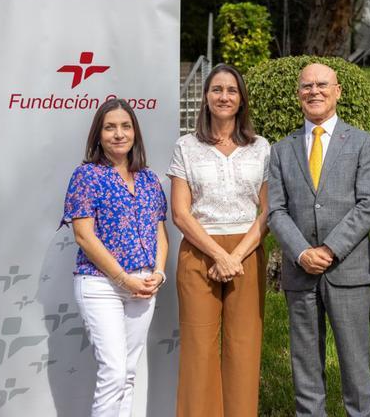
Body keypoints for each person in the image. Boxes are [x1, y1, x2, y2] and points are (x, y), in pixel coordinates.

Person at [268, 62, 370, 417]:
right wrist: (301, 252)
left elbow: (369, 205)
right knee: (305, 371)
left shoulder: (362, 143)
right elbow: (276, 210)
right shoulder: (281, 149)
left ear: (337, 92)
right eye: (306, 86)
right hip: (300, 273)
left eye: (321, 85)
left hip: (348, 271)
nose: (313, 91)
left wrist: (330, 249)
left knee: (356, 369)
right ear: (298, 94)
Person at [168, 64, 270, 417]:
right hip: (199, 252)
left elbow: (267, 212)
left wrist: (236, 256)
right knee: (199, 349)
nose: (224, 96)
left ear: (241, 99)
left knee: (244, 347)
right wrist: (217, 254)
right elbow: (180, 213)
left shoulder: (261, 147)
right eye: (216, 90)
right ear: (206, 97)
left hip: (248, 250)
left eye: (231, 90)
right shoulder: (186, 146)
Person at [62, 98, 169, 417]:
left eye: (125, 126)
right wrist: (123, 278)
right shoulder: (86, 175)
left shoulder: (149, 179)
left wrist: (159, 272)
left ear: (135, 132)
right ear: (98, 135)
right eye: (110, 127)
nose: (119, 133)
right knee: (114, 373)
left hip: (145, 285)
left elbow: (159, 231)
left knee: (128, 373)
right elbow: (83, 235)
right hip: (100, 285)